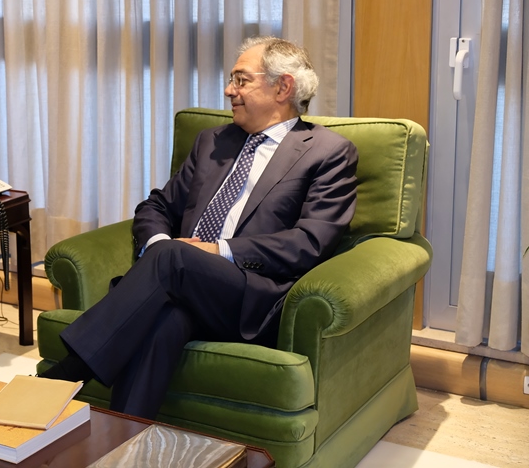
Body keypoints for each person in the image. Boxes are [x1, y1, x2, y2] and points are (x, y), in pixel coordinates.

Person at [39, 36, 359, 419]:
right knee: (166, 317)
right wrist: (159, 244)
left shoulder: (327, 152)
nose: (229, 90)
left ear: (282, 87)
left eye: (241, 80)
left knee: (174, 257)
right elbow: (157, 206)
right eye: (231, 80)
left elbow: (310, 242)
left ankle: (63, 376)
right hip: (184, 282)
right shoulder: (213, 141)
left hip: (251, 297)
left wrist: (216, 251)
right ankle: (123, 438)